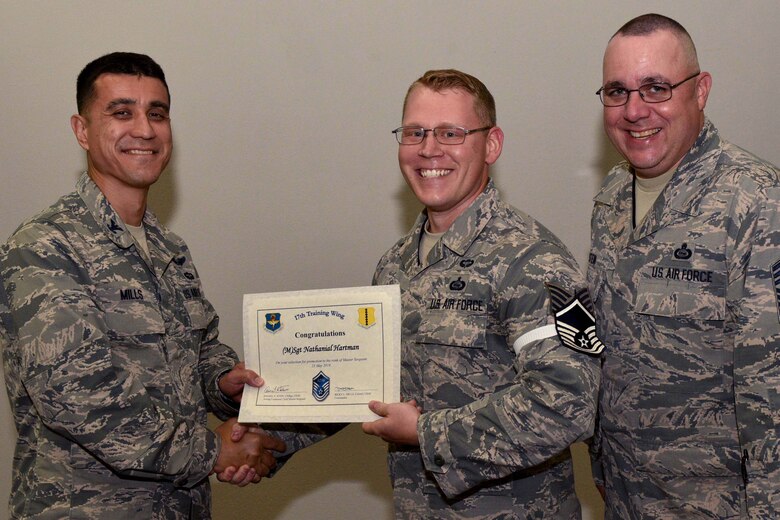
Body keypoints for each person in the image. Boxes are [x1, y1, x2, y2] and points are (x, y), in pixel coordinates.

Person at [0, 52, 287, 519]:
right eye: (121, 112)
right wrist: (213, 452)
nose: (145, 129)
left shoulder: (168, 248)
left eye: (158, 113)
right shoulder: (46, 246)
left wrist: (224, 382)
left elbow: (198, 349)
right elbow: (78, 397)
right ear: (81, 130)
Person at [361, 69, 602, 518]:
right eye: (415, 132)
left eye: (450, 133)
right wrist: (267, 436)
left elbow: (568, 401)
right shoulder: (394, 266)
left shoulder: (536, 260)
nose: (429, 149)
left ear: (491, 144)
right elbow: (362, 383)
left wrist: (427, 433)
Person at [589, 13, 780, 518]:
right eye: (617, 91)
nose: (634, 110)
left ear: (700, 91)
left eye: (655, 88)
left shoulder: (756, 202)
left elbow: (771, 386)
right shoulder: (611, 198)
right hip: (627, 497)